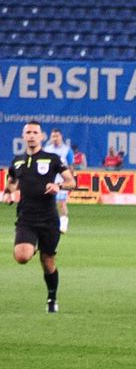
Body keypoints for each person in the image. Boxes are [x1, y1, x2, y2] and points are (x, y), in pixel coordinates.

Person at [2, 120, 77, 312]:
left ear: (41, 136)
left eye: (35, 132)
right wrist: (8, 193)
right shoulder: (17, 160)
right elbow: (11, 181)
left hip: (49, 220)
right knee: (21, 257)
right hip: (26, 219)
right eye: (28, 132)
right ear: (23, 136)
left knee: (47, 260)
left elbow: (71, 181)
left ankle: (52, 298)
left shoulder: (52, 159)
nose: (32, 135)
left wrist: (57, 186)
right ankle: (30, 246)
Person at [43, 128, 74, 233]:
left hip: (61, 181)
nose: (55, 138)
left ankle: (63, 224)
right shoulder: (46, 149)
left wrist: (70, 180)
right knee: (46, 203)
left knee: (61, 202)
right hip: (48, 181)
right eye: (53, 136)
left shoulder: (67, 150)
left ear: (61, 137)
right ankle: (47, 224)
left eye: (57, 136)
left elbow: (71, 166)